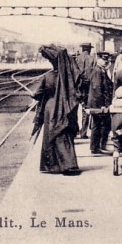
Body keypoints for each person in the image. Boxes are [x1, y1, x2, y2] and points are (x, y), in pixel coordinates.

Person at [31, 45, 81, 175]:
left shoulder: (48, 77)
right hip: (65, 109)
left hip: (51, 108)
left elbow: (38, 94)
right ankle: (70, 164)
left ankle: (53, 166)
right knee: (65, 135)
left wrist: (33, 95)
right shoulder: (69, 77)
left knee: (51, 135)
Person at [87, 51, 114, 156]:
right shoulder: (97, 71)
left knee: (98, 124)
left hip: (98, 103)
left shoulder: (101, 70)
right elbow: (97, 89)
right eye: (103, 59)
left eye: (106, 60)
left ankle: (96, 147)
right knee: (102, 124)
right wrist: (102, 105)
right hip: (98, 104)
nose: (105, 62)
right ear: (97, 59)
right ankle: (99, 146)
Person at [73, 42, 96, 139]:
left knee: (73, 110)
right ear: (89, 49)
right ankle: (83, 133)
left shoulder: (76, 59)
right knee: (86, 110)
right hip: (87, 87)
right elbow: (94, 74)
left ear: (82, 49)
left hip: (77, 87)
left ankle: (74, 131)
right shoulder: (92, 59)